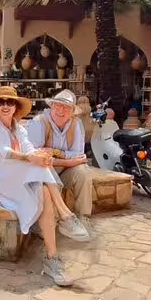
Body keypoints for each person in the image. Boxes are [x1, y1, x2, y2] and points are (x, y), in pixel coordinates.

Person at [0, 86, 90, 286]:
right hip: (0, 178)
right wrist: (30, 157)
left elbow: (31, 149)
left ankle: (52, 259)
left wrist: (43, 157)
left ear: (15, 107)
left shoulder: (19, 129)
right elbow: (4, 152)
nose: (5, 106)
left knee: (44, 191)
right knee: (36, 168)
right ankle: (65, 215)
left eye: (10, 102)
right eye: (1, 103)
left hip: (21, 174)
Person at [26, 90, 95, 221]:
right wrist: (68, 162)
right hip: (42, 171)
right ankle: (53, 221)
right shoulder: (39, 122)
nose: (61, 110)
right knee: (47, 169)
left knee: (83, 172)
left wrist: (56, 152)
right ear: (51, 106)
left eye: (66, 107)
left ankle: (83, 218)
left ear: (72, 111)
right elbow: (37, 158)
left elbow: (79, 155)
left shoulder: (76, 124)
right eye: (58, 105)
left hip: (64, 172)